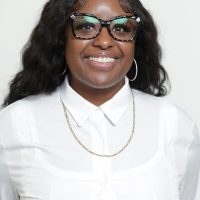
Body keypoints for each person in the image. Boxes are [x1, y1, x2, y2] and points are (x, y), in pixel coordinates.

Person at [0, 0, 200, 199]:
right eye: (86, 26)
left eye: (121, 27)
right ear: (60, 38)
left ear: (135, 42)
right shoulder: (14, 125)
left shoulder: (175, 126)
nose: (104, 41)